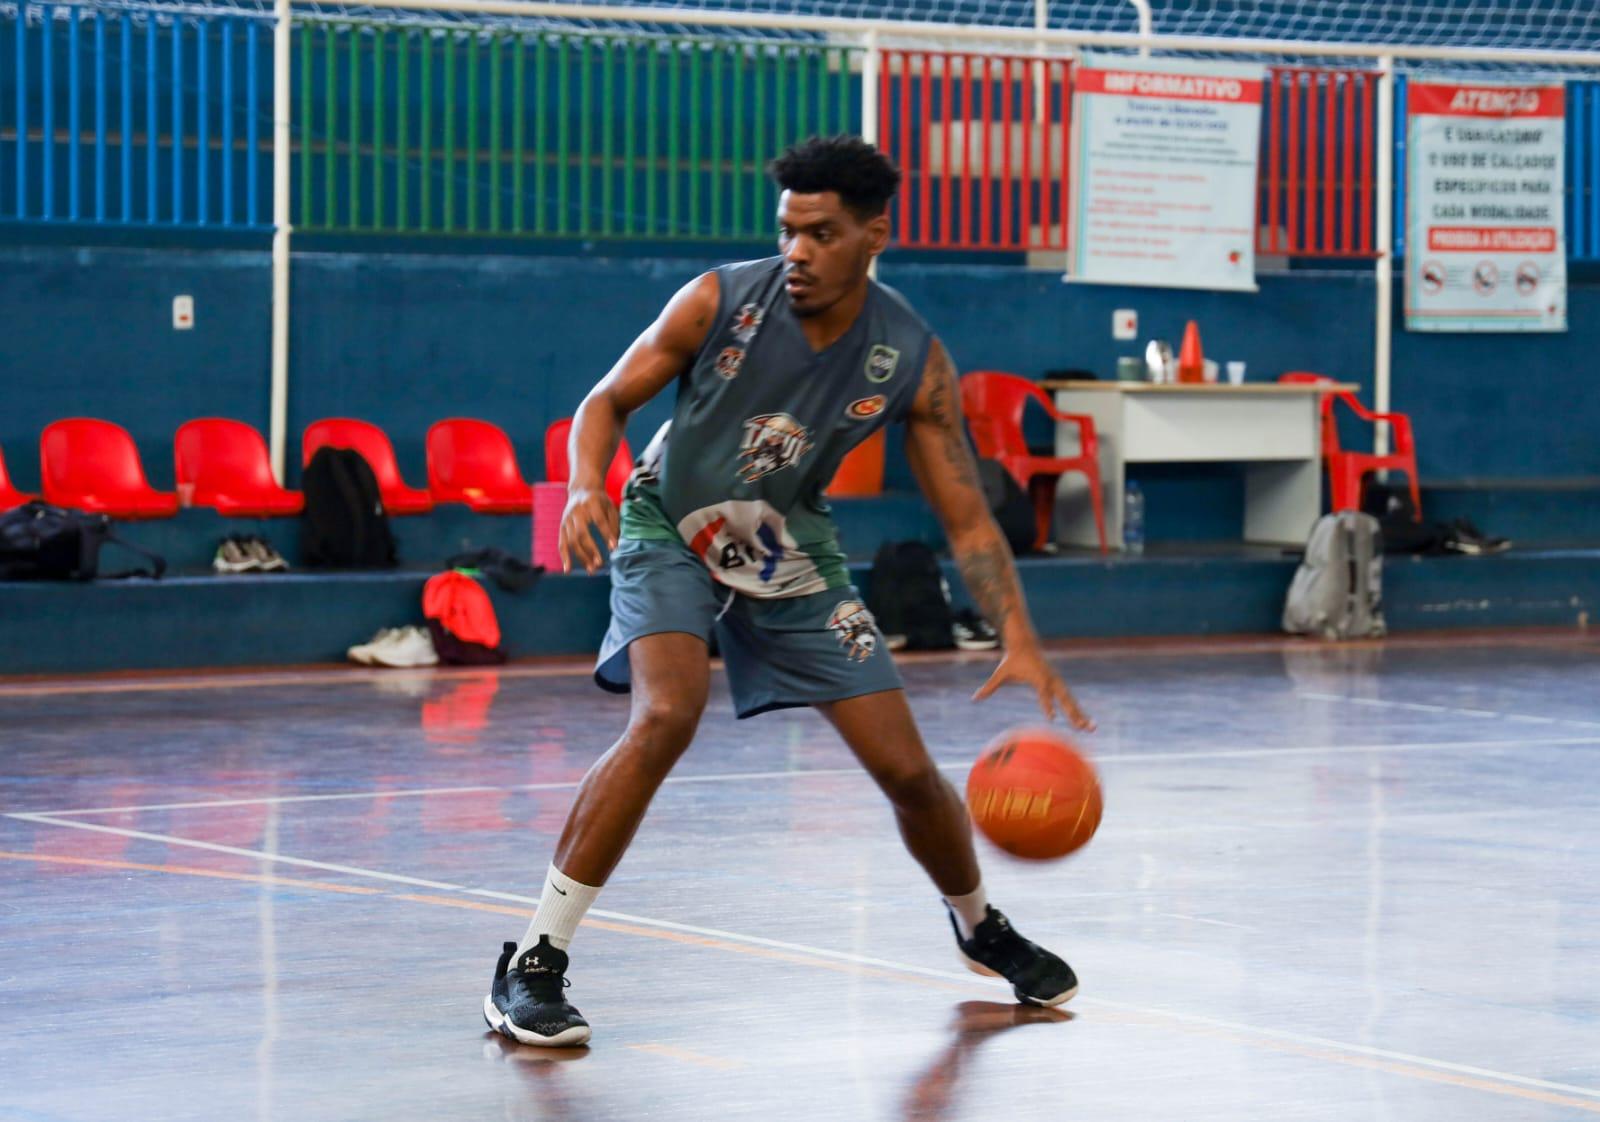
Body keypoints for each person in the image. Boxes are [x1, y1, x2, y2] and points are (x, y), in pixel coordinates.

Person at [484, 135, 1095, 1048]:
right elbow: (603, 402)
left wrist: (1019, 633)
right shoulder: (717, 301)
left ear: (873, 234)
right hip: (670, 521)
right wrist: (583, 484)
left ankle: (979, 926)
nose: (798, 251)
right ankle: (533, 962)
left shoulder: (910, 356)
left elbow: (967, 518)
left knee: (907, 770)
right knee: (665, 717)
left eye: (822, 232)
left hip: (781, 545)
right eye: (787, 230)